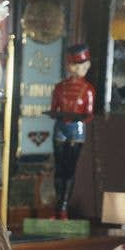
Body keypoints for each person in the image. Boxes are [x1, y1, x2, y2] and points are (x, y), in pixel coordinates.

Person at [49, 43, 95, 219]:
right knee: (59, 169)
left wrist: (79, 118)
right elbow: (54, 109)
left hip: (76, 130)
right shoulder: (59, 87)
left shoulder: (88, 90)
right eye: (74, 65)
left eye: (82, 65)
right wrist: (58, 115)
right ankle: (58, 206)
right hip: (61, 128)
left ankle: (63, 207)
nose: (78, 69)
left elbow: (89, 114)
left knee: (69, 169)